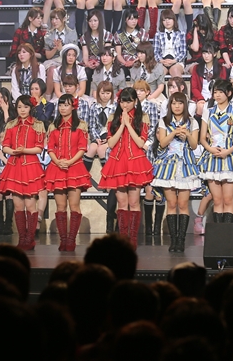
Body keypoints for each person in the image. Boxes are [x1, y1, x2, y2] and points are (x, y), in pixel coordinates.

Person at [99, 87, 153, 246]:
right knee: (122, 203)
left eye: (129, 101)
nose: (125, 105)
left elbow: (141, 143)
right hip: (118, 162)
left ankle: (133, 239)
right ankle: (123, 239)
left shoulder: (142, 117)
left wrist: (129, 125)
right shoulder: (113, 117)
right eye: (123, 101)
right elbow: (110, 143)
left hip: (135, 161)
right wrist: (122, 124)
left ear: (135, 101)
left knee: (134, 202)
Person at [0, 95, 46, 250]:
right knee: (18, 205)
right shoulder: (11, 124)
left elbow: (39, 148)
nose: (22, 110)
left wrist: (24, 150)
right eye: (19, 107)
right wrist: (12, 151)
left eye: (25, 107)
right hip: (14, 165)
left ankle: (30, 239)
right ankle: (22, 238)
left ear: (31, 108)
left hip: (30, 166)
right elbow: (5, 146)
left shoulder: (38, 125)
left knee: (30, 205)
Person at [153, 92, 200, 253]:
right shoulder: (164, 121)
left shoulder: (192, 122)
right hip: (168, 165)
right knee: (171, 204)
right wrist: (173, 133)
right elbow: (162, 143)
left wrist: (187, 134)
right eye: (174, 103)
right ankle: (173, 240)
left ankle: (181, 240)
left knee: (182, 204)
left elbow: (194, 145)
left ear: (185, 105)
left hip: (185, 165)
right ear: (170, 106)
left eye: (180, 103)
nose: (177, 106)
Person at [44, 93, 91, 251]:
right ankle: (63, 240)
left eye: (66, 105)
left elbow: (82, 148)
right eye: (61, 105)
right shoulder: (53, 126)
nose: (63, 108)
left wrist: (69, 162)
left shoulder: (81, 125)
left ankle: (71, 240)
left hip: (75, 167)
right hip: (57, 167)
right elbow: (50, 148)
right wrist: (57, 161)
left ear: (73, 107)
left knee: (74, 205)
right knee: (60, 206)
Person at [198, 79, 233, 228]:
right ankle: (219, 233)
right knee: (217, 199)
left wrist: (227, 151)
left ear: (229, 93)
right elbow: (202, 138)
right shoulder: (208, 111)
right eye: (215, 92)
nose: (217, 95)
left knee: (228, 199)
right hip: (212, 157)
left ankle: (228, 233)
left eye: (220, 92)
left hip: (230, 157)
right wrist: (211, 149)